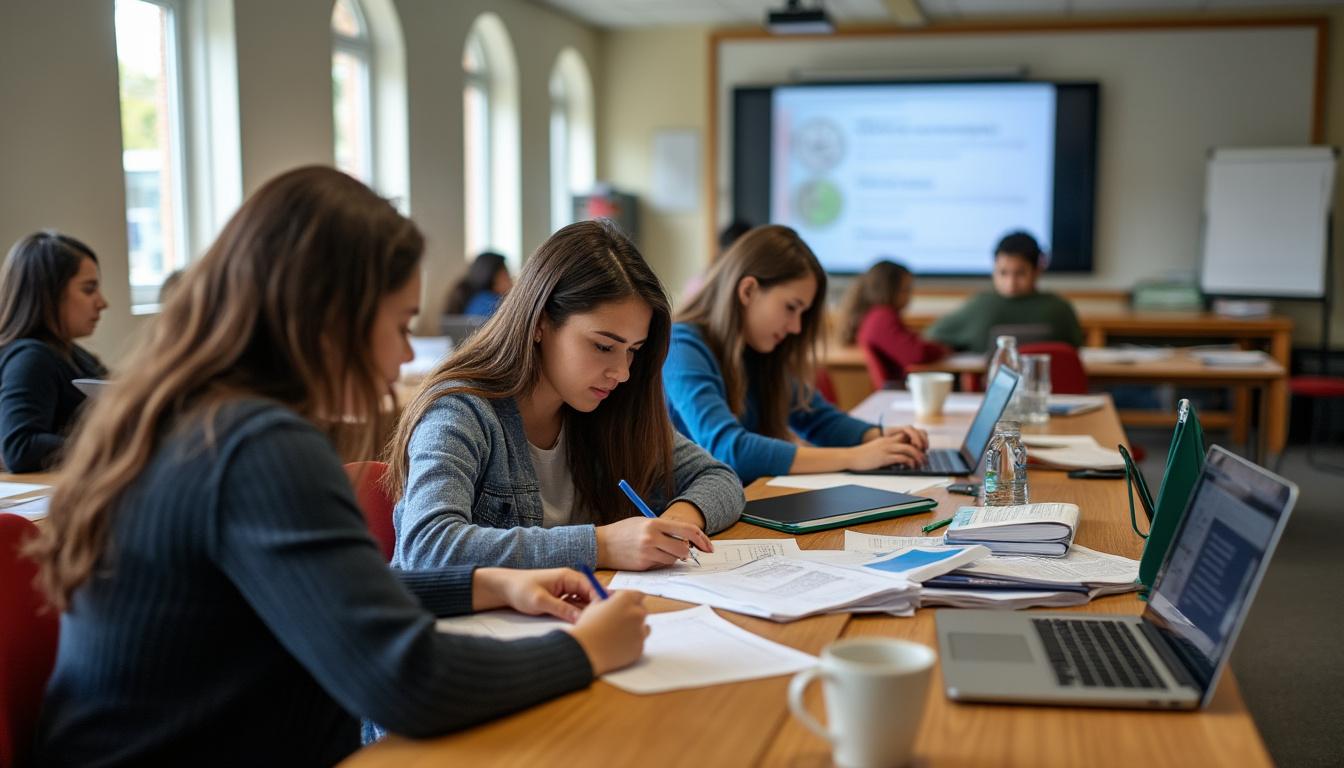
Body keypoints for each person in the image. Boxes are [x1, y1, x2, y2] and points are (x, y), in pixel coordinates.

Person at [26, 167, 648, 767]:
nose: (408, 352)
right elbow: (405, 681)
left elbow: (312, 594)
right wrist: (582, 652)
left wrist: (485, 584)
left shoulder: (195, 416)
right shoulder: (256, 446)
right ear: (329, 316)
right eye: (402, 323)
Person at [388, 218, 743, 573]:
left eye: (633, 350)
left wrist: (675, 524)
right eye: (603, 346)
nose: (622, 373)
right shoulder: (460, 411)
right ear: (540, 322)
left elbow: (721, 478)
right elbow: (428, 545)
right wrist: (602, 546)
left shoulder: (610, 404)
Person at [663, 225, 929, 485]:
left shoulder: (755, 349)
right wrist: (855, 457)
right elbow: (729, 449)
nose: (796, 327)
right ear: (747, 291)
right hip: (688, 515)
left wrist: (878, 436)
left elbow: (815, 417)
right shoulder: (682, 346)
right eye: (791, 307)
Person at [0, 231, 109, 472]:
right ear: (50, 294)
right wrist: (112, 447)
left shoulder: (77, 355)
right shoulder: (31, 358)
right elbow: (20, 447)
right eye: (89, 289)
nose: (103, 303)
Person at [925, 231, 1084, 353]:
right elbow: (933, 336)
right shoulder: (980, 305)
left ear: (1037, 270)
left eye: (1020, 273)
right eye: (1003, 273)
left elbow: (1075, 351)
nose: (1011, 282)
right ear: (993, 270)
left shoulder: (1059, 309)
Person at [838, 259, 950, 388]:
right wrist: (943, 349)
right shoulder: (882, 317)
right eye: (905, 290)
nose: (909, 296)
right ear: (889, 290)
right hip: (896, 393)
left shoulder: (876, 316)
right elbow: (915, 354)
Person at [444, 251, 512, 317]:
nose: (510, 281)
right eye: (506, 275)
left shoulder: (473, 299)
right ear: (492, 278)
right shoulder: (489, 303)